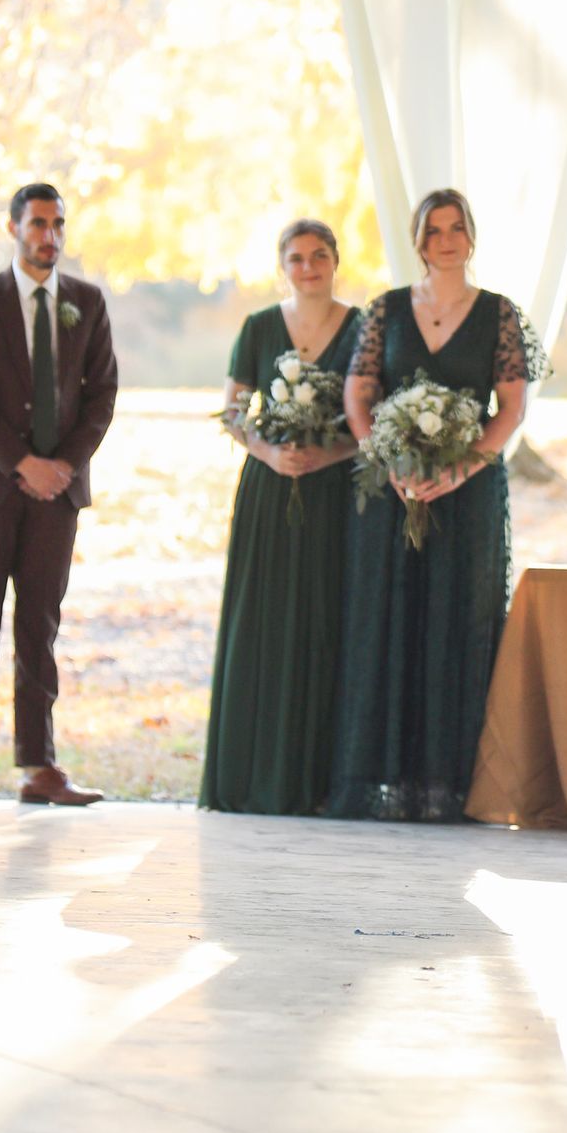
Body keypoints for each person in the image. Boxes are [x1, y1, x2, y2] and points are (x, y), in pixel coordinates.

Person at [330, 188, 550, 822]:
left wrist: (459, 470)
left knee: (463, 620)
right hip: (393, 495)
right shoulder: (386, 311)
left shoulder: (499, 314)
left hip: (471, 492)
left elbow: (511, 409)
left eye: (457, 228)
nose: (446, 239)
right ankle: (384, 782)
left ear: (471, 237)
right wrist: (391, 462)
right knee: (389, 618)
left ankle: (454, 786)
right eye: (434, 229)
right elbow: (358, 395)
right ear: (419, 240)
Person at [0, 184, 118, 806]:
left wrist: (62, 467)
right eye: (39, 223)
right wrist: (20, 463)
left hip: (58, 497)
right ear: (14, 227)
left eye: (58, 224)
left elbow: (101, 397)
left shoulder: (87, 303)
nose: (50, 235)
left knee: (39, 628)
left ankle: (38, 768)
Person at [201, 221, 362, 817]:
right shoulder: (258, 327)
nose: (309, 266)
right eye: (297, 258)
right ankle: (252, 774)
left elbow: (371, 413)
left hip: (337, 495)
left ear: (335, 261)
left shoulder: (362, 325)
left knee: (327, 621)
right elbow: (233, 409)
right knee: (265, 622)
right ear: (282, 266)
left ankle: (320, 779)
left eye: (320, 255)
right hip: (270, 493)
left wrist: (331, 452)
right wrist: (272, 452)